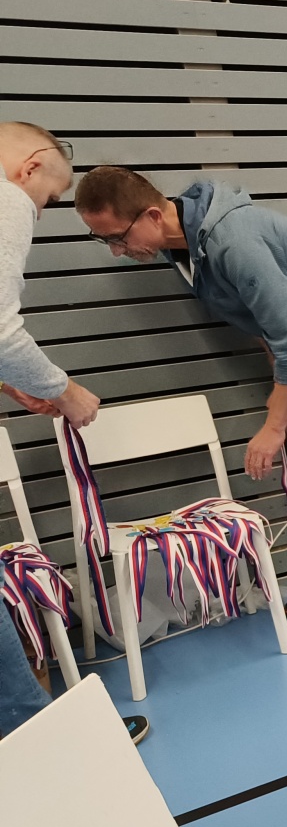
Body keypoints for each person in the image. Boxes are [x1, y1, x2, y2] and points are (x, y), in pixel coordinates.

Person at [75, 166, 287, 646]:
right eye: (104, 240)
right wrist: (284, 389)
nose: (116, 251)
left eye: (118, 237)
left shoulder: (234, 241)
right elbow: (263, 321)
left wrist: (274, 424)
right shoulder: (182, 248)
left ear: (152, 215)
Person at [0, 122, 146, 743]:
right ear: (32, 165)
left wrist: (9, 384)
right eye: (51, 198)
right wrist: (65, 390)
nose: (41, 210)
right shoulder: (7, 197)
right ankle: (38, 735)